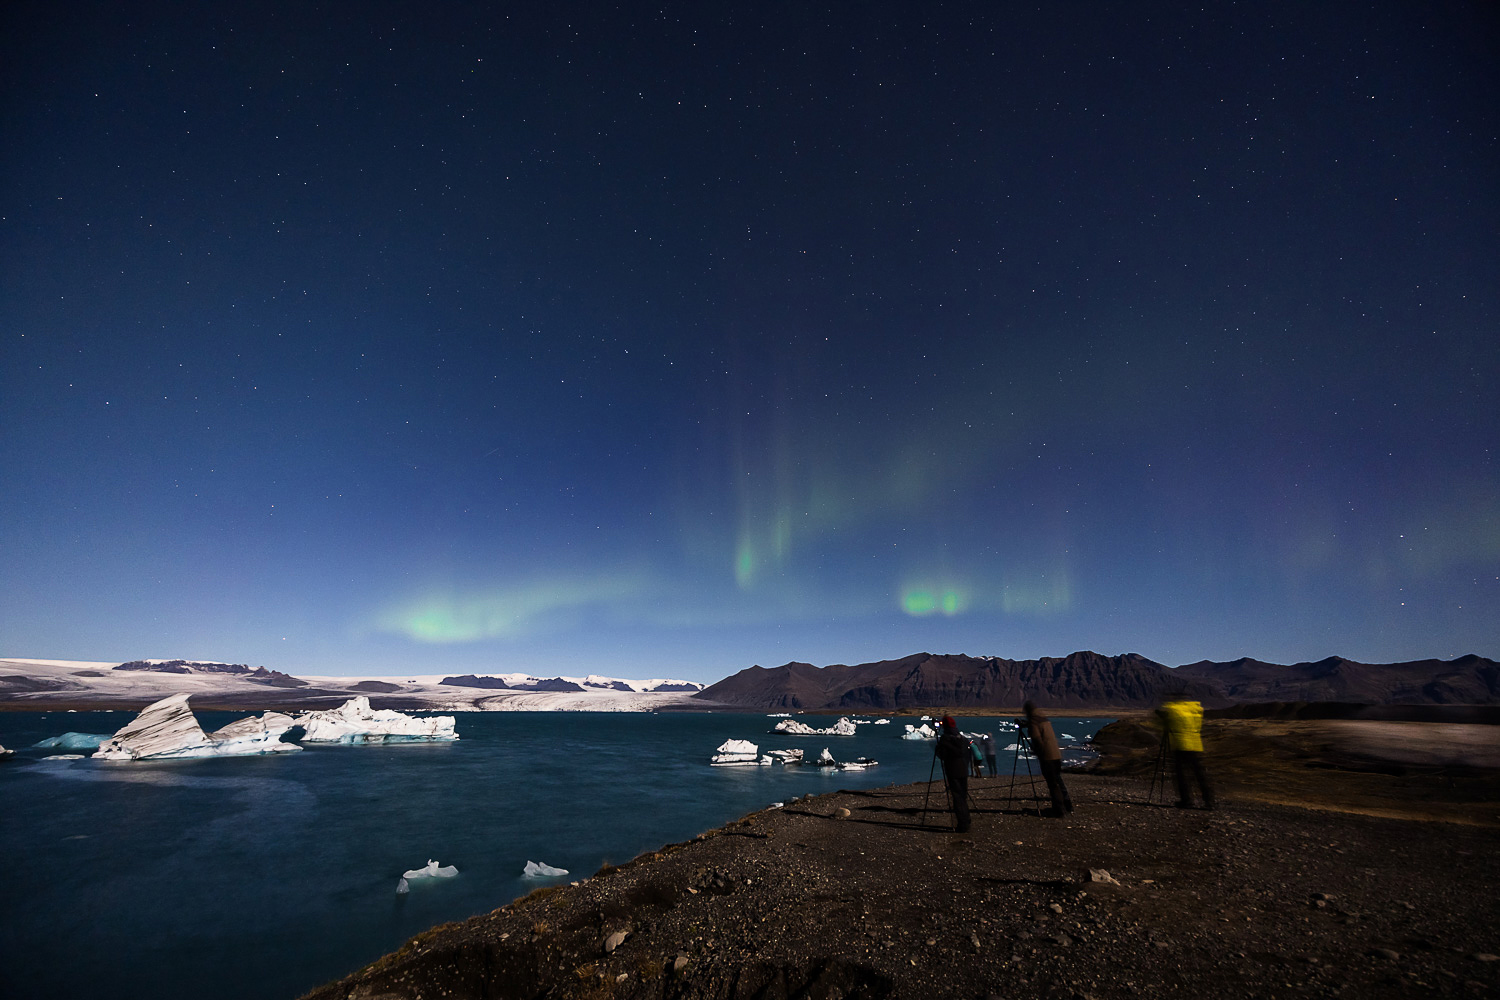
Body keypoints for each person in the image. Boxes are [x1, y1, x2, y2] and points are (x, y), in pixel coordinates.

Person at [1157, 697, 1214, 810]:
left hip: (1181, 745)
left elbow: (1170, 725)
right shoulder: (1195, 710)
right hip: (1195, 744)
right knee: (1199, 774)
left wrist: (1164, 718)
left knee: (1181, 775)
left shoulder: (1174, 709)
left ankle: (1187, 801)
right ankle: (1209, 801)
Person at [1021, 701, 1072, 816]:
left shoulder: (1034, 722)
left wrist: (1037, 752)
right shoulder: (1043, 719)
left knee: (1052, 783)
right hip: (1056, 755)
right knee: (1058, 780)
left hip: (1047, 756)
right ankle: (1068, 805)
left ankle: (1059, 810)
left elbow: (1037, 740)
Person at [933, 715, 972, 832]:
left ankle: (963, 825)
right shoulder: (962, 738)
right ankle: (967, 819)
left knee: (957, 797)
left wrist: (937, 748)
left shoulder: (946, 739)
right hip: (964, 770)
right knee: (963, 796)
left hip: (953, 771)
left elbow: (943, 756)